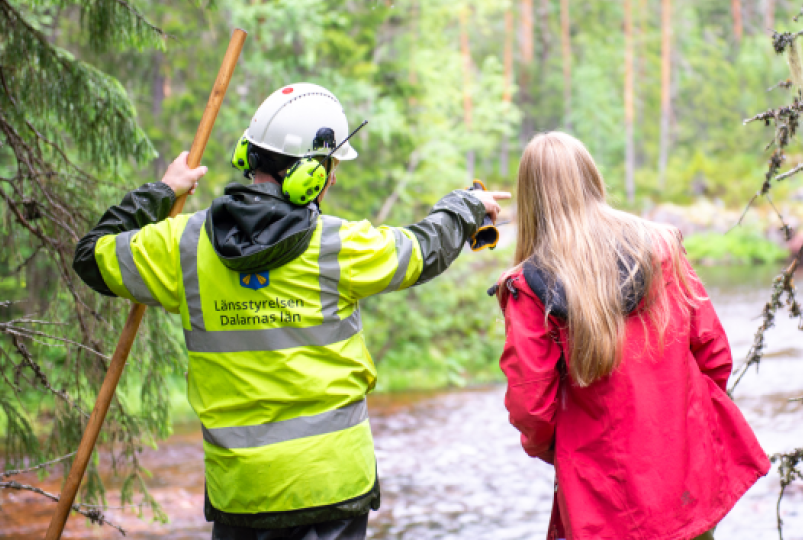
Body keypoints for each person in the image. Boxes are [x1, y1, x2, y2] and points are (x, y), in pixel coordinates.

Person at [73, 83, 509, 540]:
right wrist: (466, 206)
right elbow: (423, 249)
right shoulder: (338, 246)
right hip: (332, 487)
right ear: (311, 175)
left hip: (241, 494)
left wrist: (163, 190)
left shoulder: (182, 245)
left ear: (248, 155)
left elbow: (90, 255)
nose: (334, 178)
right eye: (332, 166)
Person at [496, 132, 770, 540]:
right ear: (592, 179)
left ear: (530, 198)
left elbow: (531, 408)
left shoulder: (530, 287)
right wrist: (685, 424)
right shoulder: (659, 246)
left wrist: (564, 451)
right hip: (686, 480)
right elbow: (713, 351)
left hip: (602, 494)